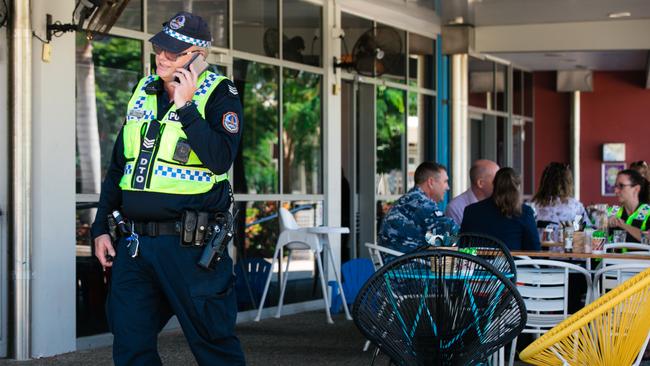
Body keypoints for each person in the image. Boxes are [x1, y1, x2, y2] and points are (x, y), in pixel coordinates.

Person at [90, 12, 245, 365]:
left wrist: (187, 107)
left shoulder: (220, 94)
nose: (162, 57)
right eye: (160, 48)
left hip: (191, 249)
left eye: (173, 52)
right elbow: (120, 166)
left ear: (198, 55)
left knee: (213, 345)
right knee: (130, 345)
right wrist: (100, 228)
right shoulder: (142, 91)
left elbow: (221, 159)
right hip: (136, 246)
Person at [379, 162, 458, 255]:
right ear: (431, 182)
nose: (447, 187)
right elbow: (451, 232)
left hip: (394, 264)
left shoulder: (410, 199)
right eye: (445, 181)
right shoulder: (421, 203)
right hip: (407, 266)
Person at [461, 167, 540, 251]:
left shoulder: (471, 211)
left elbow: (463, 245)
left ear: (494, 185)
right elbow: (534, 248)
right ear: (518, 187)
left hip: (479, 263)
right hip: (514, 263)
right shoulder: (524, 212)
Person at [445, 159, 499, 225]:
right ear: (480, 183)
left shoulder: (501, 204)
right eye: (497, 179)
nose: (501, 183)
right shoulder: (456, 208)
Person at [607, 169, 650, 242]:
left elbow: (648, 240)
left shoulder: (648, 212)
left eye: (621, 186)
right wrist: (605, 225)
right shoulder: (611, 212)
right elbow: (594, 238)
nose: (616, 191)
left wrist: (623, 225)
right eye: (615, 186)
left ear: (636, 189)